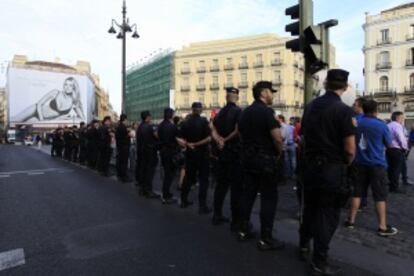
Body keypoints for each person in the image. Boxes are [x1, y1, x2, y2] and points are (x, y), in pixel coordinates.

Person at [299, 69, 356, 275]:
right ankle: (319, 261)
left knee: (310, 208)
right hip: (332, 168)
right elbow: (350, 150)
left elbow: (303, 138)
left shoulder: (311, 106)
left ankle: (303, 245)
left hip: (310, 166)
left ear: (325, 84)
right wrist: (346, 164)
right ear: (345, 86)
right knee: (327, 214)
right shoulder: (344, 111)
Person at [237, 81, 284, 251]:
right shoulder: (267, 112)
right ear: (264, 93)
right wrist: (279, 152)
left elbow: (240, 133)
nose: (273, 95)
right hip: (265, 160)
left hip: (249, 159)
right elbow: (277, 138)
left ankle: (243, 229)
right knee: (269, 198)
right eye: (271, 92)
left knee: (248, 194)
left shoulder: (245, 112)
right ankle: (266, 238)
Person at [344, 100, 398, 236]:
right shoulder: (381, 125)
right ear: (376, 110)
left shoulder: (357, 124)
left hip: (359, 163)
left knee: (357, 193)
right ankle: (382, 227)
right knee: (380, 196)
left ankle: (351, 221)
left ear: (363, 109)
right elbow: (390, 144)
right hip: (377, 164)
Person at [211, 87, 243, 231]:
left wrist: (219, 140)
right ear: (236, 97)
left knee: (221, 186)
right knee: (236, 189)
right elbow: (238, 130)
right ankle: (236, 221)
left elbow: (212, 128)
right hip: (234, 153)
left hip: (222, 153)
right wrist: (226, 140)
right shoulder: (238, 111)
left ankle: (216, 215)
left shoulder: (220, 113)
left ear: (226, 97)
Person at [177, 102, 212, 214]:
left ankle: (183, 200)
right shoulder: (203, 122)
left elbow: (180, 139)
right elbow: (208, 139)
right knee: (203, 180)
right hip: (202, 154)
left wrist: (189, 144)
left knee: (188, 178)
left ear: (192, 109)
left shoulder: (185, 123)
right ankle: (202, 206)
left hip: (190, 154)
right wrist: (196, 144)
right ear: (200, 110)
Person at [12, 77, 85, 122]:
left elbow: (82, 118)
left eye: (70, 85)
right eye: (65, 84)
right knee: (15, 120)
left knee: (24, 126)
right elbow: (40, 104)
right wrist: (41, 120)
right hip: (35, 110)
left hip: (45, 119)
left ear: (74, 88)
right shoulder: (56, 92)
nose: (67, 87)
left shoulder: (74, 102)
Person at [136, 111, 160, 198]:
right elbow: (157, 136)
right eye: (150, 116)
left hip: (142, 151)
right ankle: (148, 191)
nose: (151, 118)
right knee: (149, 172)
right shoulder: (150, 127)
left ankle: (142, 189)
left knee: (144, 170)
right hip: (150, 152)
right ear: (147, 117)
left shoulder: (140, 127)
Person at [158, 108, 180, 204]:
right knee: (169, 175)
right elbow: (178, 138)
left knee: (167, 174)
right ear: (171, 115)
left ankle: (166, 193)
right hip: (171, 152)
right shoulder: (172, 126)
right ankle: (165, 196)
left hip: (163, 152)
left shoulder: (161, 125)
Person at [386, 111, 409, 193]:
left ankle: (391, 183)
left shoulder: (387, 125)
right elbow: (401, 138)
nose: (403, 119)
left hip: (389, 149)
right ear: (397, 118)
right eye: (402, 117)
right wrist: (405, 148)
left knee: (390, 168)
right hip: (397, 149)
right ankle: (394, 187)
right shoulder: (398, 126)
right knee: (396, 169)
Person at [277, 115, 296, 180]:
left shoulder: (282, 126)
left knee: (287, 161)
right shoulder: (291, 127)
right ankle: (292, 174)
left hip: (285, 145)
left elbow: (283, 137)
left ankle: (288, 175)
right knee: (292, 161)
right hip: (291, 144)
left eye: (277, 118)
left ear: (281, 119)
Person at [115, 114, 131, 182]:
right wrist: (128, 135)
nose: (127, 121)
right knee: (124, 162)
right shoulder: (123, 127)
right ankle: (124, 177)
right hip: (124, 147)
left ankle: (120, 175)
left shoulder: (119, 127)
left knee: (120, 161)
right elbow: (124, 138)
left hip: (120, 147)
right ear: (124, 119)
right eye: (127, 120)